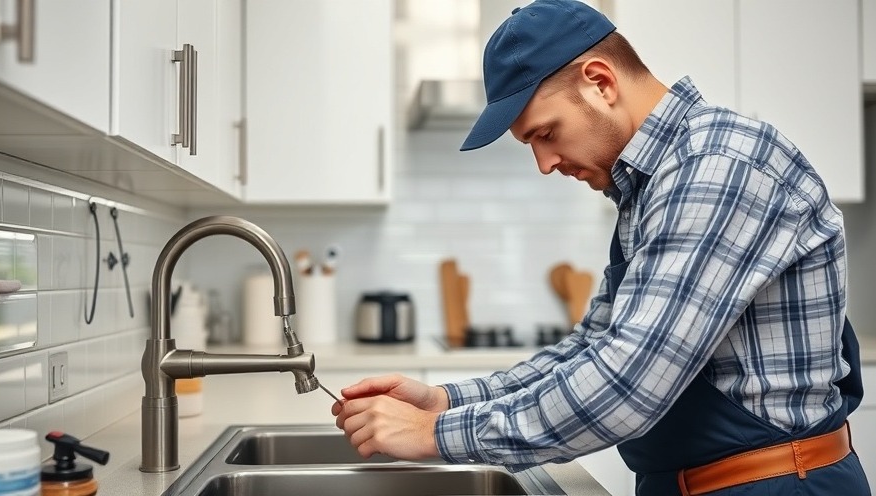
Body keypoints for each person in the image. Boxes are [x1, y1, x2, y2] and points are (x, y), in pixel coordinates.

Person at [332, 0, 870, 494]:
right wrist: (448, 400)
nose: (544, 164)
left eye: (545, 133)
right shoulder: (656, 184)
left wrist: (438, 433)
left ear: (599, 81)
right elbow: (592, 348)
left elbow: (628, 381)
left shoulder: (721, 166)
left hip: (771, 485)